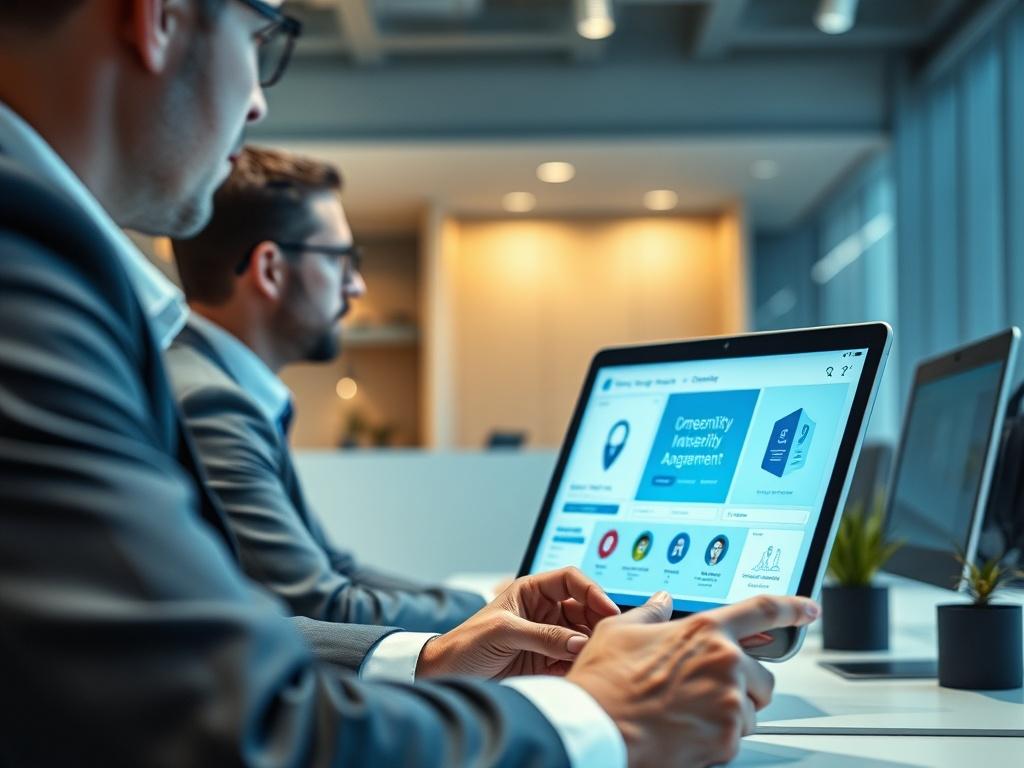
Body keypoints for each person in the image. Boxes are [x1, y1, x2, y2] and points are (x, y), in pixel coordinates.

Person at [0, 1, 820, 765]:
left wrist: (429, 657)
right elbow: (216, 715)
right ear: (160, 16)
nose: (256, 103)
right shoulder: (26, 276)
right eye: (258, 40)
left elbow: (161, 646)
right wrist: (599, 716)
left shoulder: (55, 274)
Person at [167, 146, 486, 633]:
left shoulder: (220, 386)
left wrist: (488, 603)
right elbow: (321, 607)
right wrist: (495, 611)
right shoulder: (210, 404)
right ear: (270, 269)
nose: (356, 286)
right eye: (341, 260)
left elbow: (337, 568)